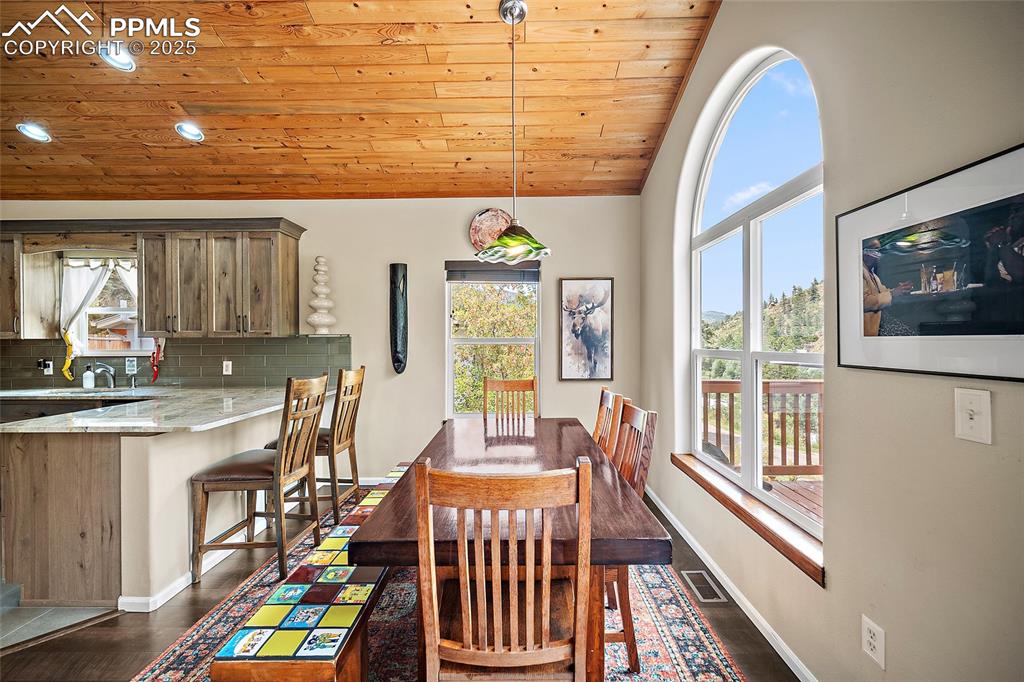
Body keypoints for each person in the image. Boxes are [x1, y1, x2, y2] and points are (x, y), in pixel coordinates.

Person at [862, 238, 913, 336]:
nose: (878, 254)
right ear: (864, 251)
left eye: (879, 250)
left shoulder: (873, 275)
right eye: (875, 249)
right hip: (872, 329)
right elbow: (864, 302)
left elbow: (884, 291)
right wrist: (893, 293)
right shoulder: (858, 272)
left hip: (881, 322)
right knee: (907, 334)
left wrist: (901, 289)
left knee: (909, 331)